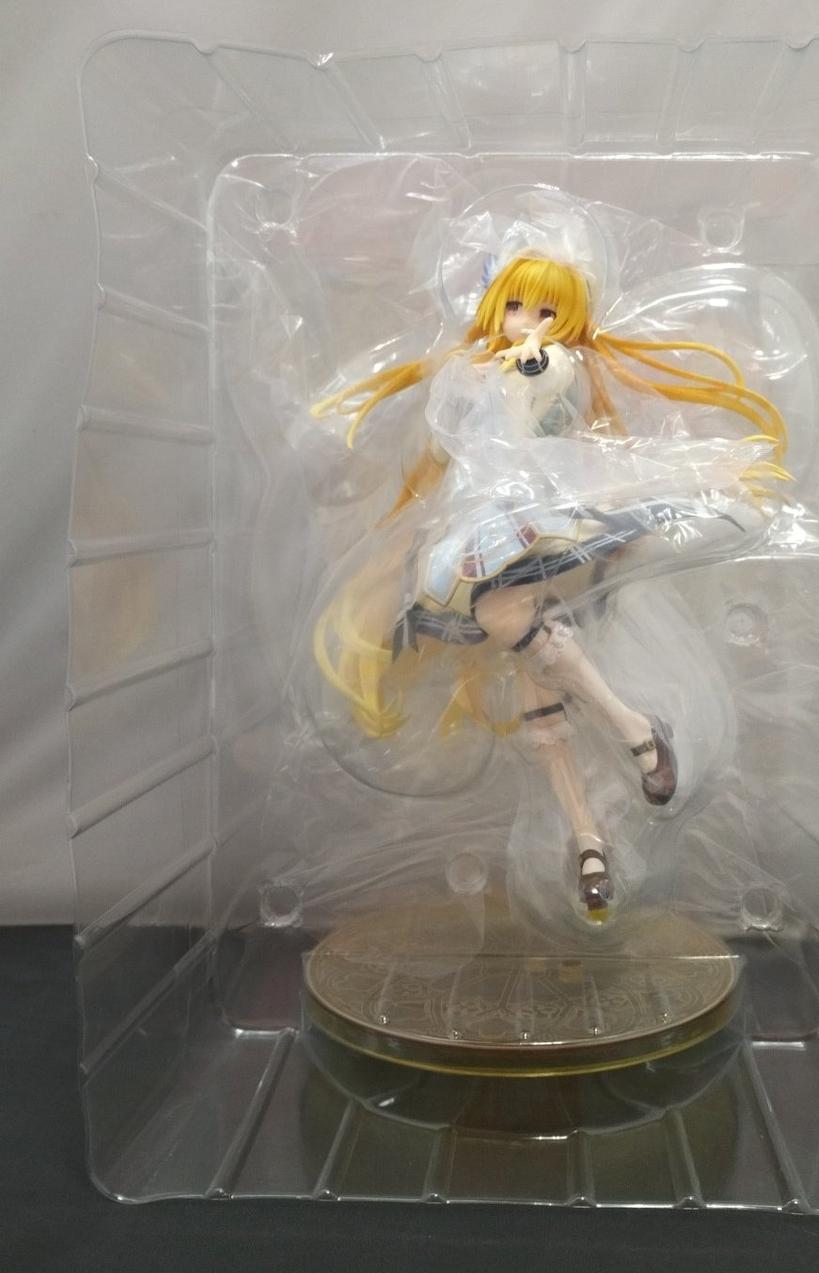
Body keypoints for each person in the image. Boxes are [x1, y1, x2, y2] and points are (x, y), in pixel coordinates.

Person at [308, 234, 787, 923]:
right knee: (538, 699)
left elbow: (542, 391)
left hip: (532, 508)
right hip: (479, 515)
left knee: (501, 614)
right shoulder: (471, 371)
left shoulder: (550, 364)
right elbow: (447, 443)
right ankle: (591, 840)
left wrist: (526, 363)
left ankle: (633, 731)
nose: (526, 322)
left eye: (545, 311)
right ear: (493, 308)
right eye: (515, 307)